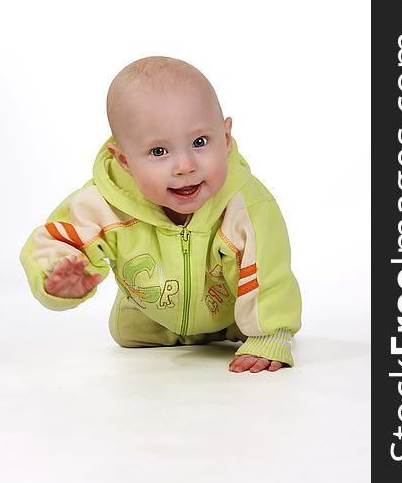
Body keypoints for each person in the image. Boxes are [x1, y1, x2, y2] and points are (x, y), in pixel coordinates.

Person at [20, 56, 302, 373]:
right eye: (159, 151)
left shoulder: (244, 204)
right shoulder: (105, 203)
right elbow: (55, 239)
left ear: (225, 140)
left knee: (261, 295)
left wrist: (270, 333)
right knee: (128, 334)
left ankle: (258, 325)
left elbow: (269, 271)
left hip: (232, 320)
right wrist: (56, 277)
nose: (185, 166)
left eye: (199, 142)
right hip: (151, 322)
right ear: (124, 160)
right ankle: (161, 327)